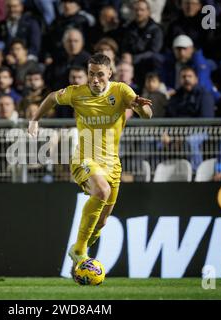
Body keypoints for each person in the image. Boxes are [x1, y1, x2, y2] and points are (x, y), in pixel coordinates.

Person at [28, 53, 152, 269]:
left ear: (110, 74)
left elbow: (147, 114)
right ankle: (79, 251)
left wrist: (140, 106)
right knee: (101, 191)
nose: (95, 79)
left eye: (100, 75)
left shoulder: (121, 91)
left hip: (113, 165)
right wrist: (34, 120)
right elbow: (50, 98)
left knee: (102, 222)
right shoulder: (77, 93)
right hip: (84, 159)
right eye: (91, 74)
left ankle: (79, 251)